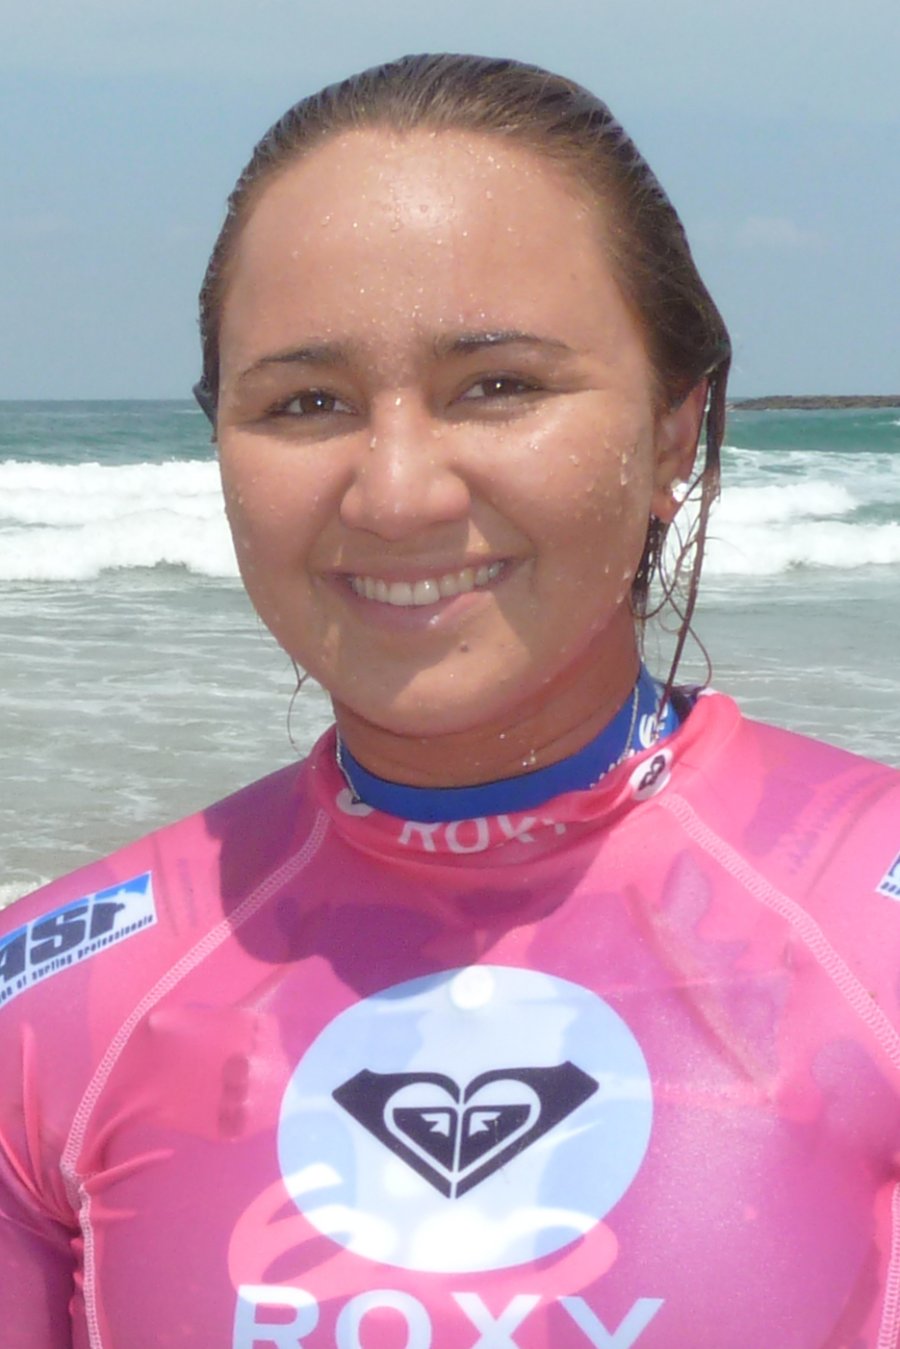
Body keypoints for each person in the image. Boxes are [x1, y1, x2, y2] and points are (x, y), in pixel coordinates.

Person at [1, 53, 899, 1349]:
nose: (397, 492)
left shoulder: (866, 930)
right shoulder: (56, 1004)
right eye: (306, 402)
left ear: (670, 433)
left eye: (498, 385)